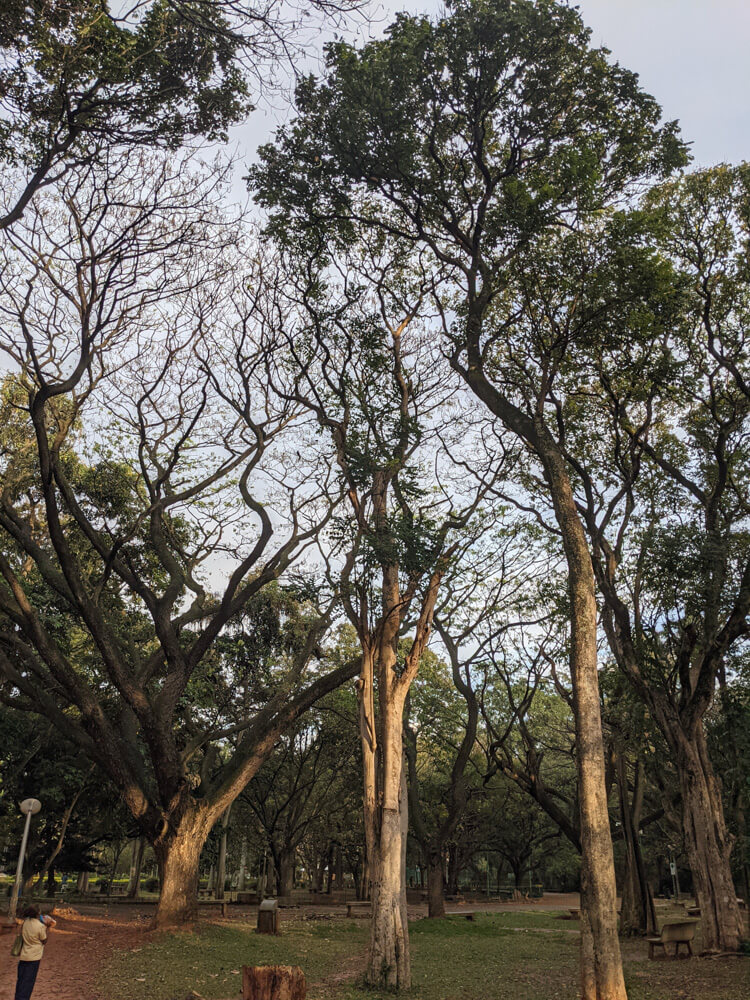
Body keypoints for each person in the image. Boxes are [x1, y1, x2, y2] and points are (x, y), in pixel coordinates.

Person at [14, 904, 56, 1000]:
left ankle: (17, 998)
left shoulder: (25, 923)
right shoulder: (40, 926)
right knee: (28, 982)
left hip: (24, 956)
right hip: (34, 958)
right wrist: (48, 927)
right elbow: (44, 941)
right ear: (37, 914)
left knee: (21, 980)